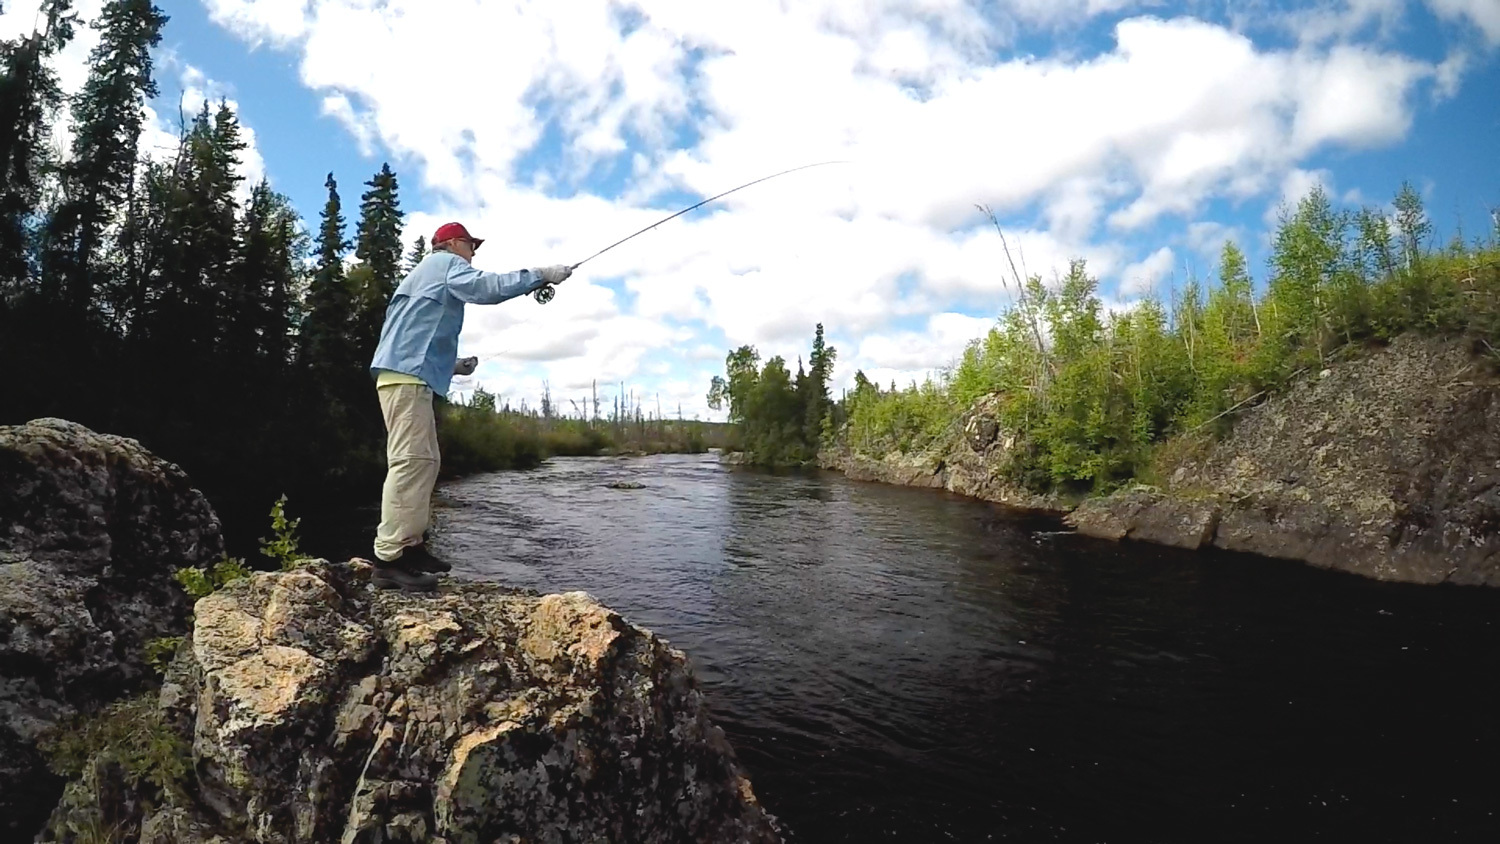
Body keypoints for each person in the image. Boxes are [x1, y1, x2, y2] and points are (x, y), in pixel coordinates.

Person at [368, 221, 572, 591]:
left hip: (410, 375)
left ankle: (410, 548)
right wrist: (541, 274)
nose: (474, 252)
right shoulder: (445, 265)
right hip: (406, 378)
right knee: (411, 463)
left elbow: (414, 334)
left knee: (425, 463)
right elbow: (486, 288)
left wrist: (453, 365)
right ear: (453, 244)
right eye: (471, 244)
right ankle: (388, 560)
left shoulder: (425, 274)